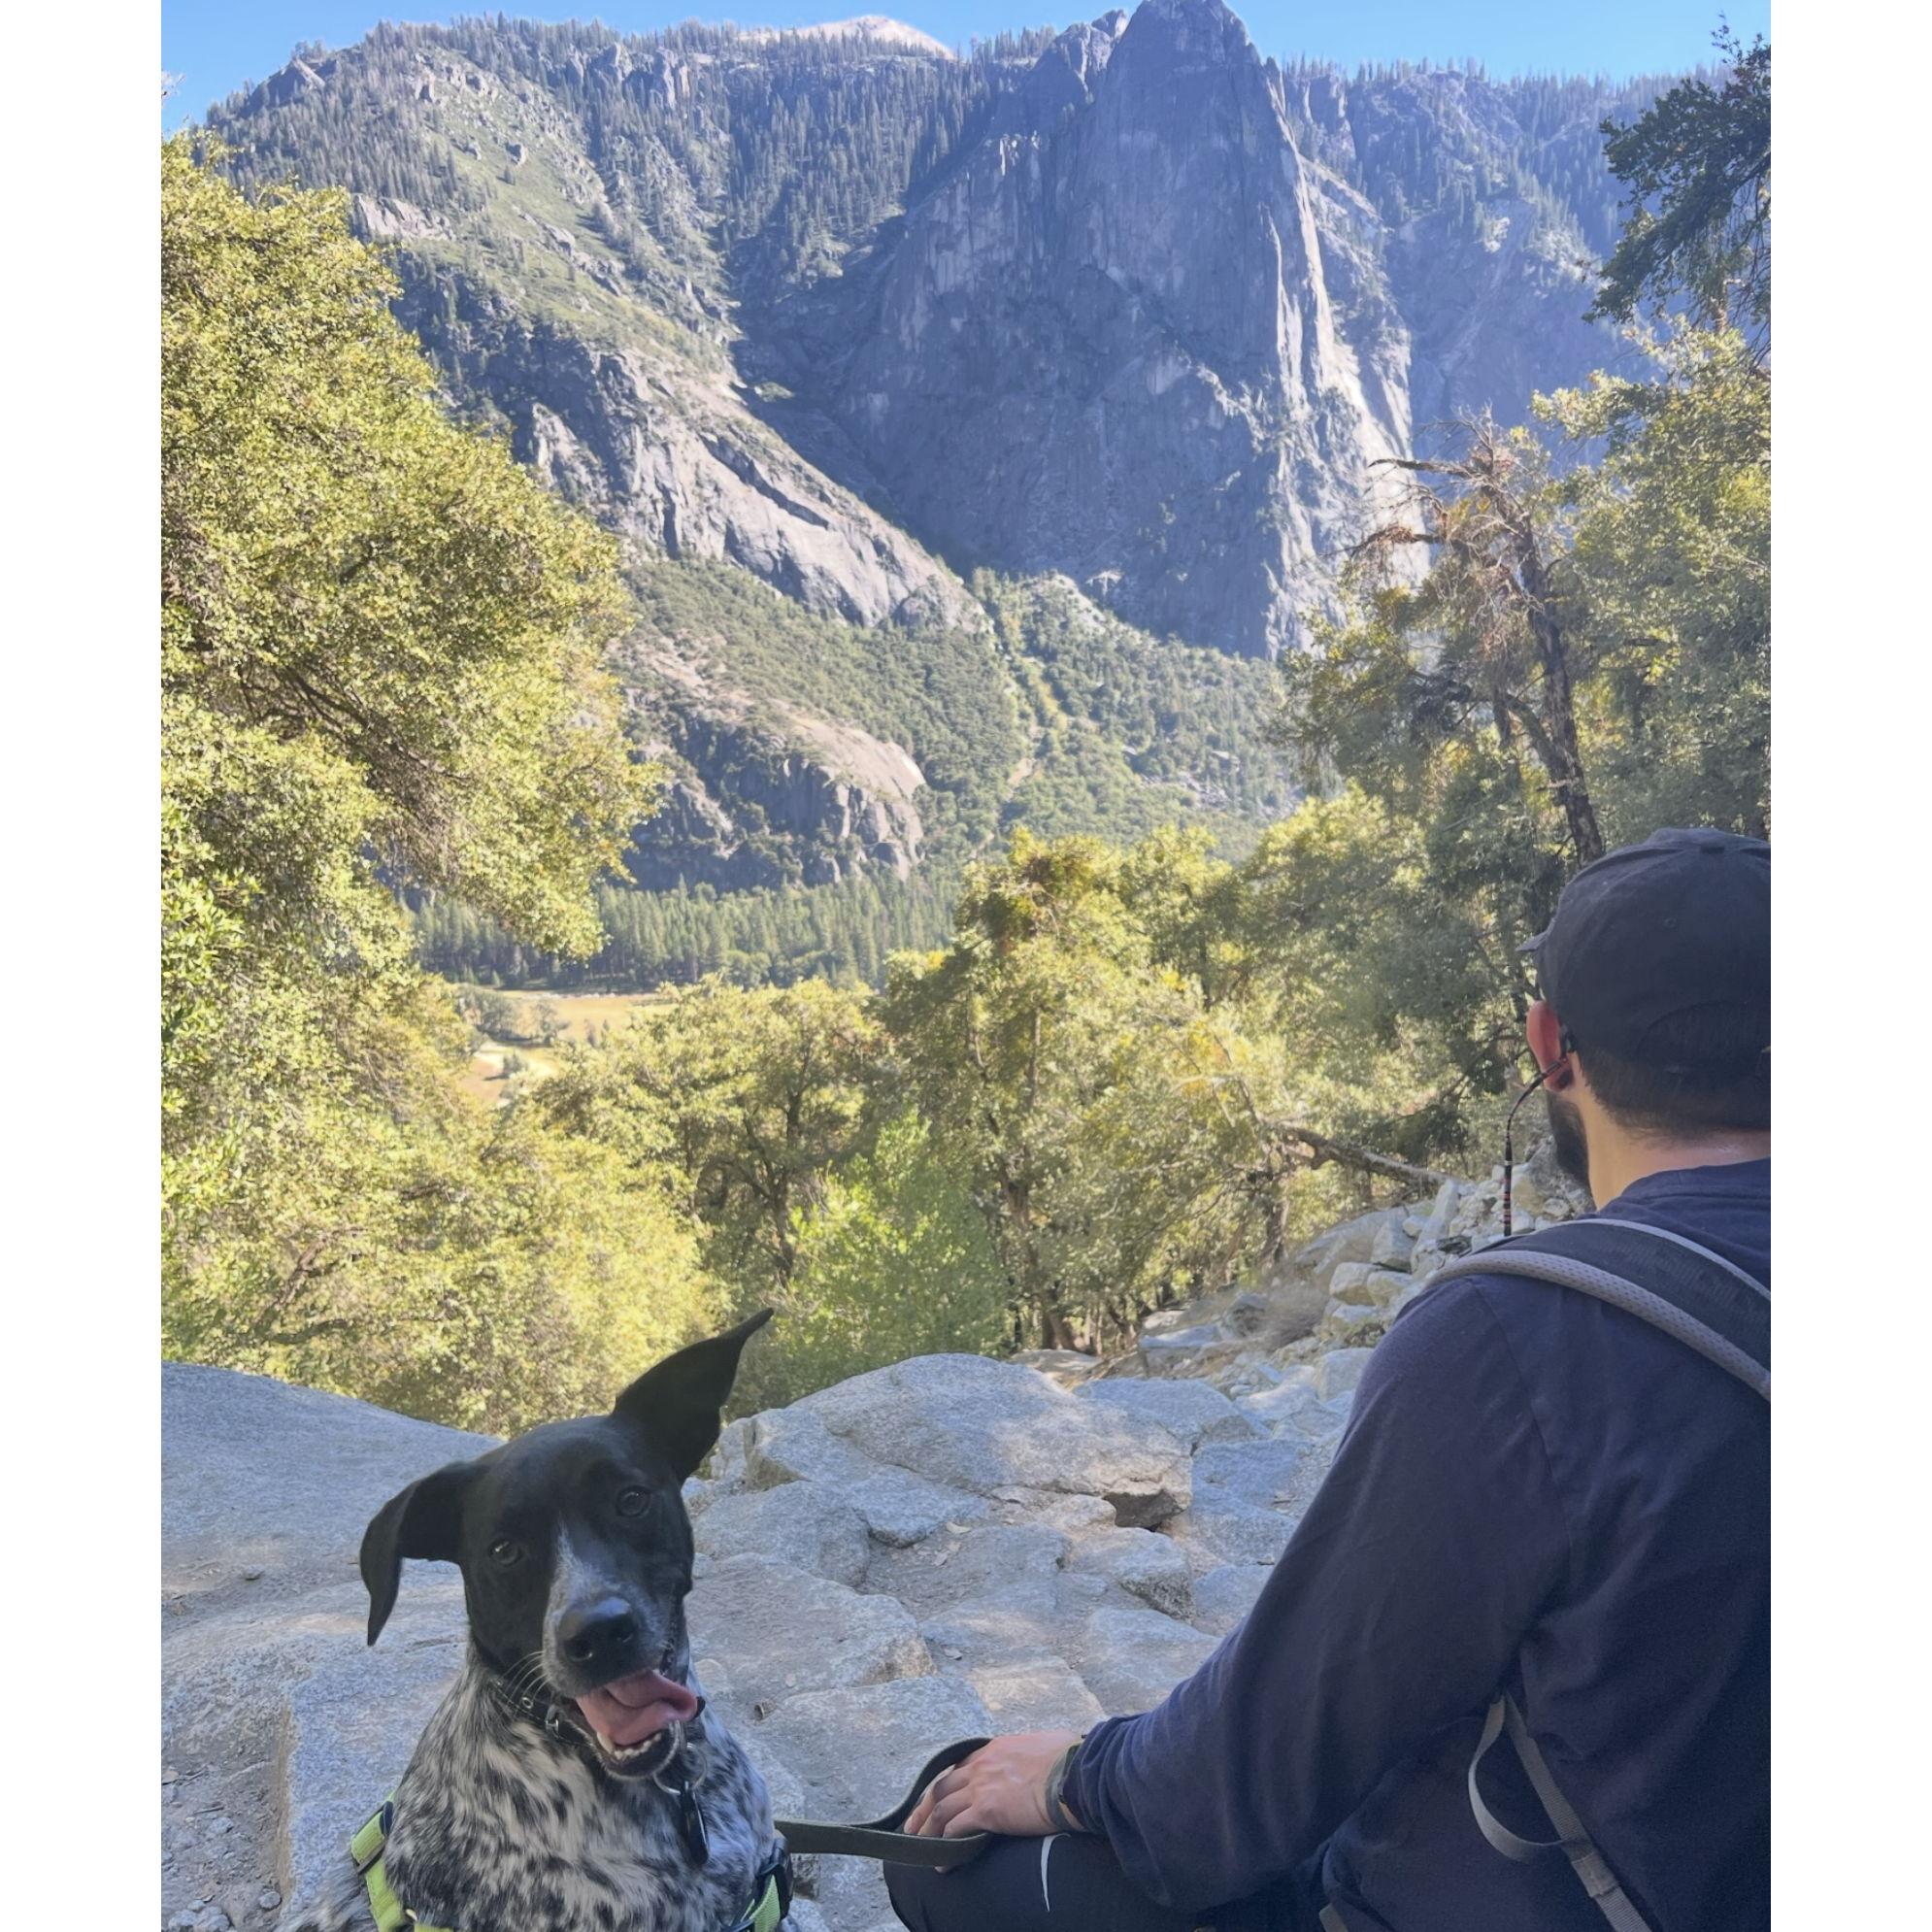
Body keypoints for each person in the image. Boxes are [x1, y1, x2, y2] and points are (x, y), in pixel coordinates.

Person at [888, 828, 1770, 1932]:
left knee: (946, 1861)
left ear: (1551, 1045)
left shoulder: (1519, 1338)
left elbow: (1249, 1776)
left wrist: (1077, 1775)